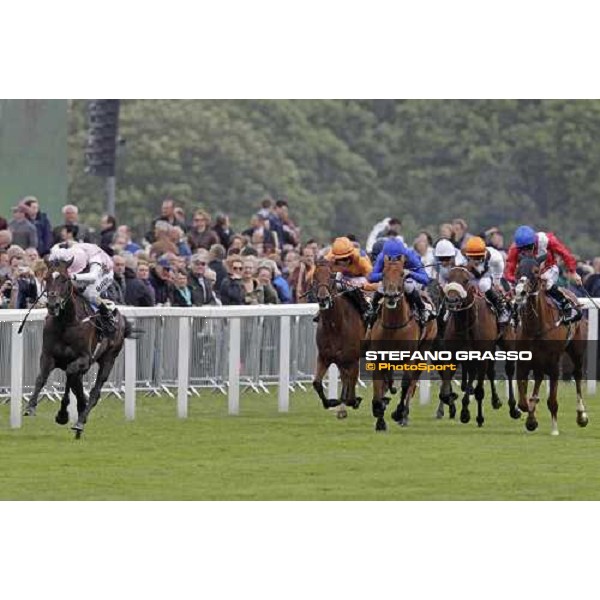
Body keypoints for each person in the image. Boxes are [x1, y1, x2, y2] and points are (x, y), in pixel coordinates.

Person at [504, 225, 582, 324]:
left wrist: (573, 272)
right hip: (528, 274)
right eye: (522, 249)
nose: (526, 252)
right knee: (520, 289)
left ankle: (568, 308)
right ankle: (513, 315)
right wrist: (515, 282)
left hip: (548, 269)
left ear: (534, 242)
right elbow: (509, 271)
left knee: (547, 284)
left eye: (528, 248)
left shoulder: (547, 239)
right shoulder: (514, 248)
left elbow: (564, 253)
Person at [48, 241, 119, 337]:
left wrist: (72, 276)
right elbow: (55, 247)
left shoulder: (95, 258)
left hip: (103, 273)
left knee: (90, 294)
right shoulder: (63, 253)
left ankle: (107, 315)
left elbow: (93, 276)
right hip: (84, 270)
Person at [366, 237, 433, 327]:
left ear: (403, 255)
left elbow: (425, 279)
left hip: (407, 278)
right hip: (389, 279)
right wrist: (386, 275)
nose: (393, 261)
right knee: (381, 288)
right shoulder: (382, 256)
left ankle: (422, 310)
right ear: (385, 255)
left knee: (409, 287)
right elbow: (371, 277)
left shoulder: (410, 256)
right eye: (389, 258)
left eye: (398, 258)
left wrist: (410, 273)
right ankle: (372, 311)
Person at [317, 236, 372, 322]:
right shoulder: (329, 257)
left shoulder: (362, 259)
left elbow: (371, 278)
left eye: (345, 258)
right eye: (339, 259)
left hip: (360, 277)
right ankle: (323, 311)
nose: (342, 262)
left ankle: (366, 309)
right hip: (343, 276)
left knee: (352, 286)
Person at [463, 236, 511, 328]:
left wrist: (496, 283)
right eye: (473, 257)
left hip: (488, 274)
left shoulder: (495, 258)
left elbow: (498, 271)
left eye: (478, 257)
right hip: (472, 276)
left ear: (484, 252)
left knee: (483, 285)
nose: (476, 260)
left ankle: (501, 309)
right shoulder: (464, 256)